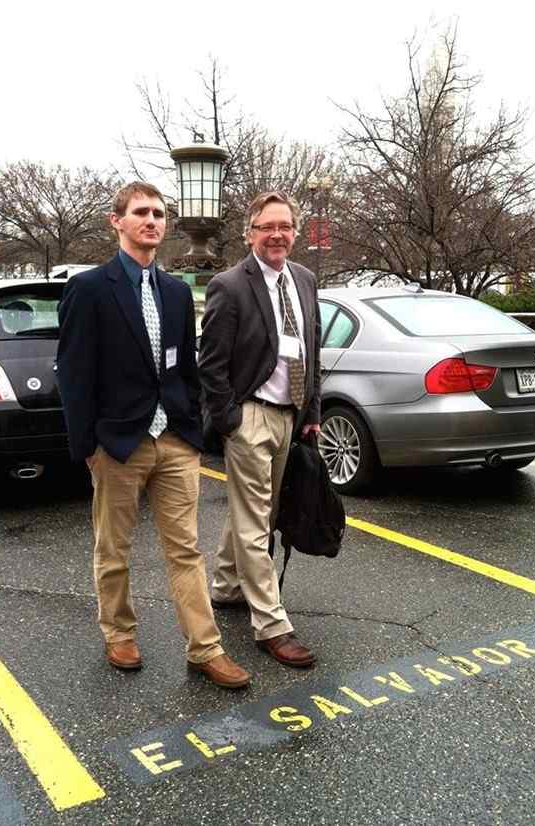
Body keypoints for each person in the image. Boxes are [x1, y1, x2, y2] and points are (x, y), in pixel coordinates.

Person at [56, 181, 250, 689]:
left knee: (186, 549)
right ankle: (119, 632)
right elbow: (74, 375)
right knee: (113, 547)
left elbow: (185, 365)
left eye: (160, 214)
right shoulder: (90, 289)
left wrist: (191, 427)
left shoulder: (176, 291)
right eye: (141, 212)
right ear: (116, 221)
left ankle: (205, 648)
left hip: (175, 441)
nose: (152, 221)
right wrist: (89, 449)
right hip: (117, 443)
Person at [199, 190, 321, 668]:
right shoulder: (229, 285)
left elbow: (310, 348)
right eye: (267, 227)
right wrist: (229, 418)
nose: (277, 235)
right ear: (250, 233)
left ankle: (227, 585)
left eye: (285, 226)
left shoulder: (306, 280)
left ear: (294, 231)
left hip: (290, 415)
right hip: (249, 415)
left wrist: (311, 410)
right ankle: (271, 624)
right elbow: (211, 364)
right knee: (257, 520)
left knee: (258, 511)